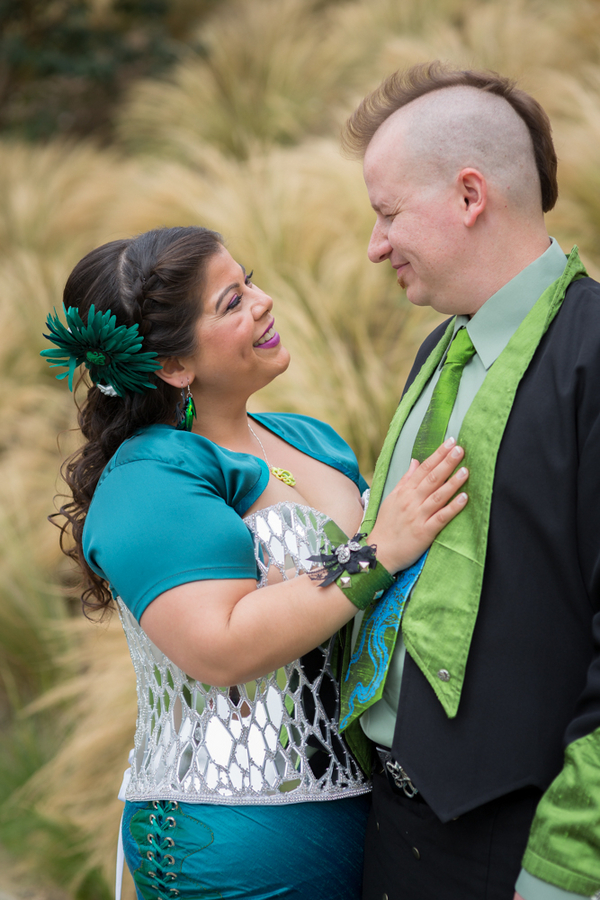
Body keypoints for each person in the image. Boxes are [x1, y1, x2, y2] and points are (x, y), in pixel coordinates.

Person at [42, 225, 470, 900]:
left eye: (251, 281)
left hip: (364, 811)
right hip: (228, 837)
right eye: (232, 302)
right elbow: (222, 645)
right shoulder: (149, 479)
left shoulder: (309, 439)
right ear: (174, 368)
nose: (264, 302)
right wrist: (378, 549)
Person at [339, 61, 600, 900]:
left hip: (519, 851)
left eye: (387, 214)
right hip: (388, 827)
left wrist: (563, 874)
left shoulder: (594, 359)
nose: (376, 245)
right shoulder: (436, 352)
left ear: (469, 194)